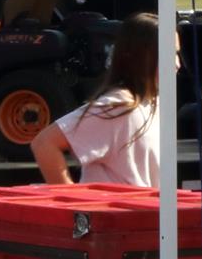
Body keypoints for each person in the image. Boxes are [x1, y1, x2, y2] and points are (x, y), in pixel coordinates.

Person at [31, 12, 162, 186]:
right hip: (119, 205)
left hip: (154, 205)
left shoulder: (155, 104)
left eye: (176, 54)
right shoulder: (118, 106)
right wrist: (69, 199)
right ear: (142, 57)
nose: (177, 64)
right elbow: (44, 143)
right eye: (169, 54)